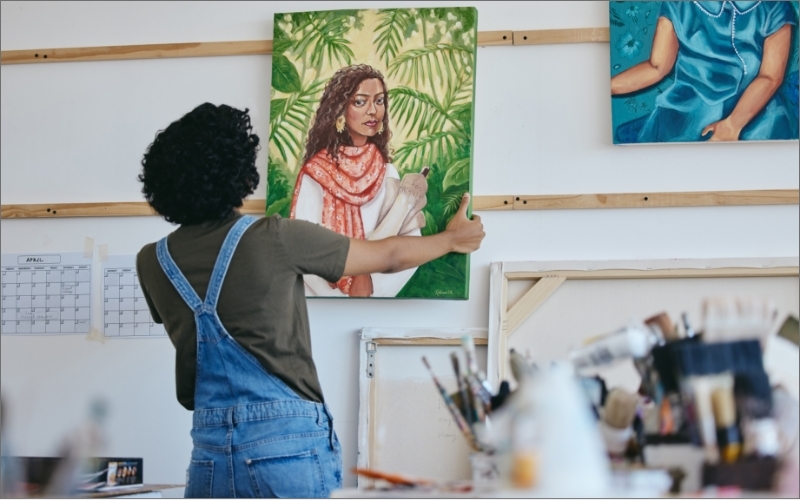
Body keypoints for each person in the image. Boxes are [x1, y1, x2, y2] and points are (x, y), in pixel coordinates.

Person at [135, 102, 484, 498]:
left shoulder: (152, 260)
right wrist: (453, 240)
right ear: (236, 170)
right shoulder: (273, 237)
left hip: (210, 455)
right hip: (285, 452)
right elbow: (386, 257)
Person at [291, 64, 424, 298]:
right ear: (340, 110)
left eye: (379, 101)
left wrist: (373, 288)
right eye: (360, 102)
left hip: (377, 297)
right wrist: (337, 298)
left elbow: (409, 246)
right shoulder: (316, 174)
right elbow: (301, 248)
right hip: (323, 301)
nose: (373, 111)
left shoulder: (387, 171)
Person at [611, 1, 797, 142]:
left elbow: (770, 76)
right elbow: (657, 67)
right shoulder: (678, 4)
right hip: (687, 104)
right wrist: (607, 87)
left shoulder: (773, 6)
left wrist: (733, 124)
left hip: (754, 105)